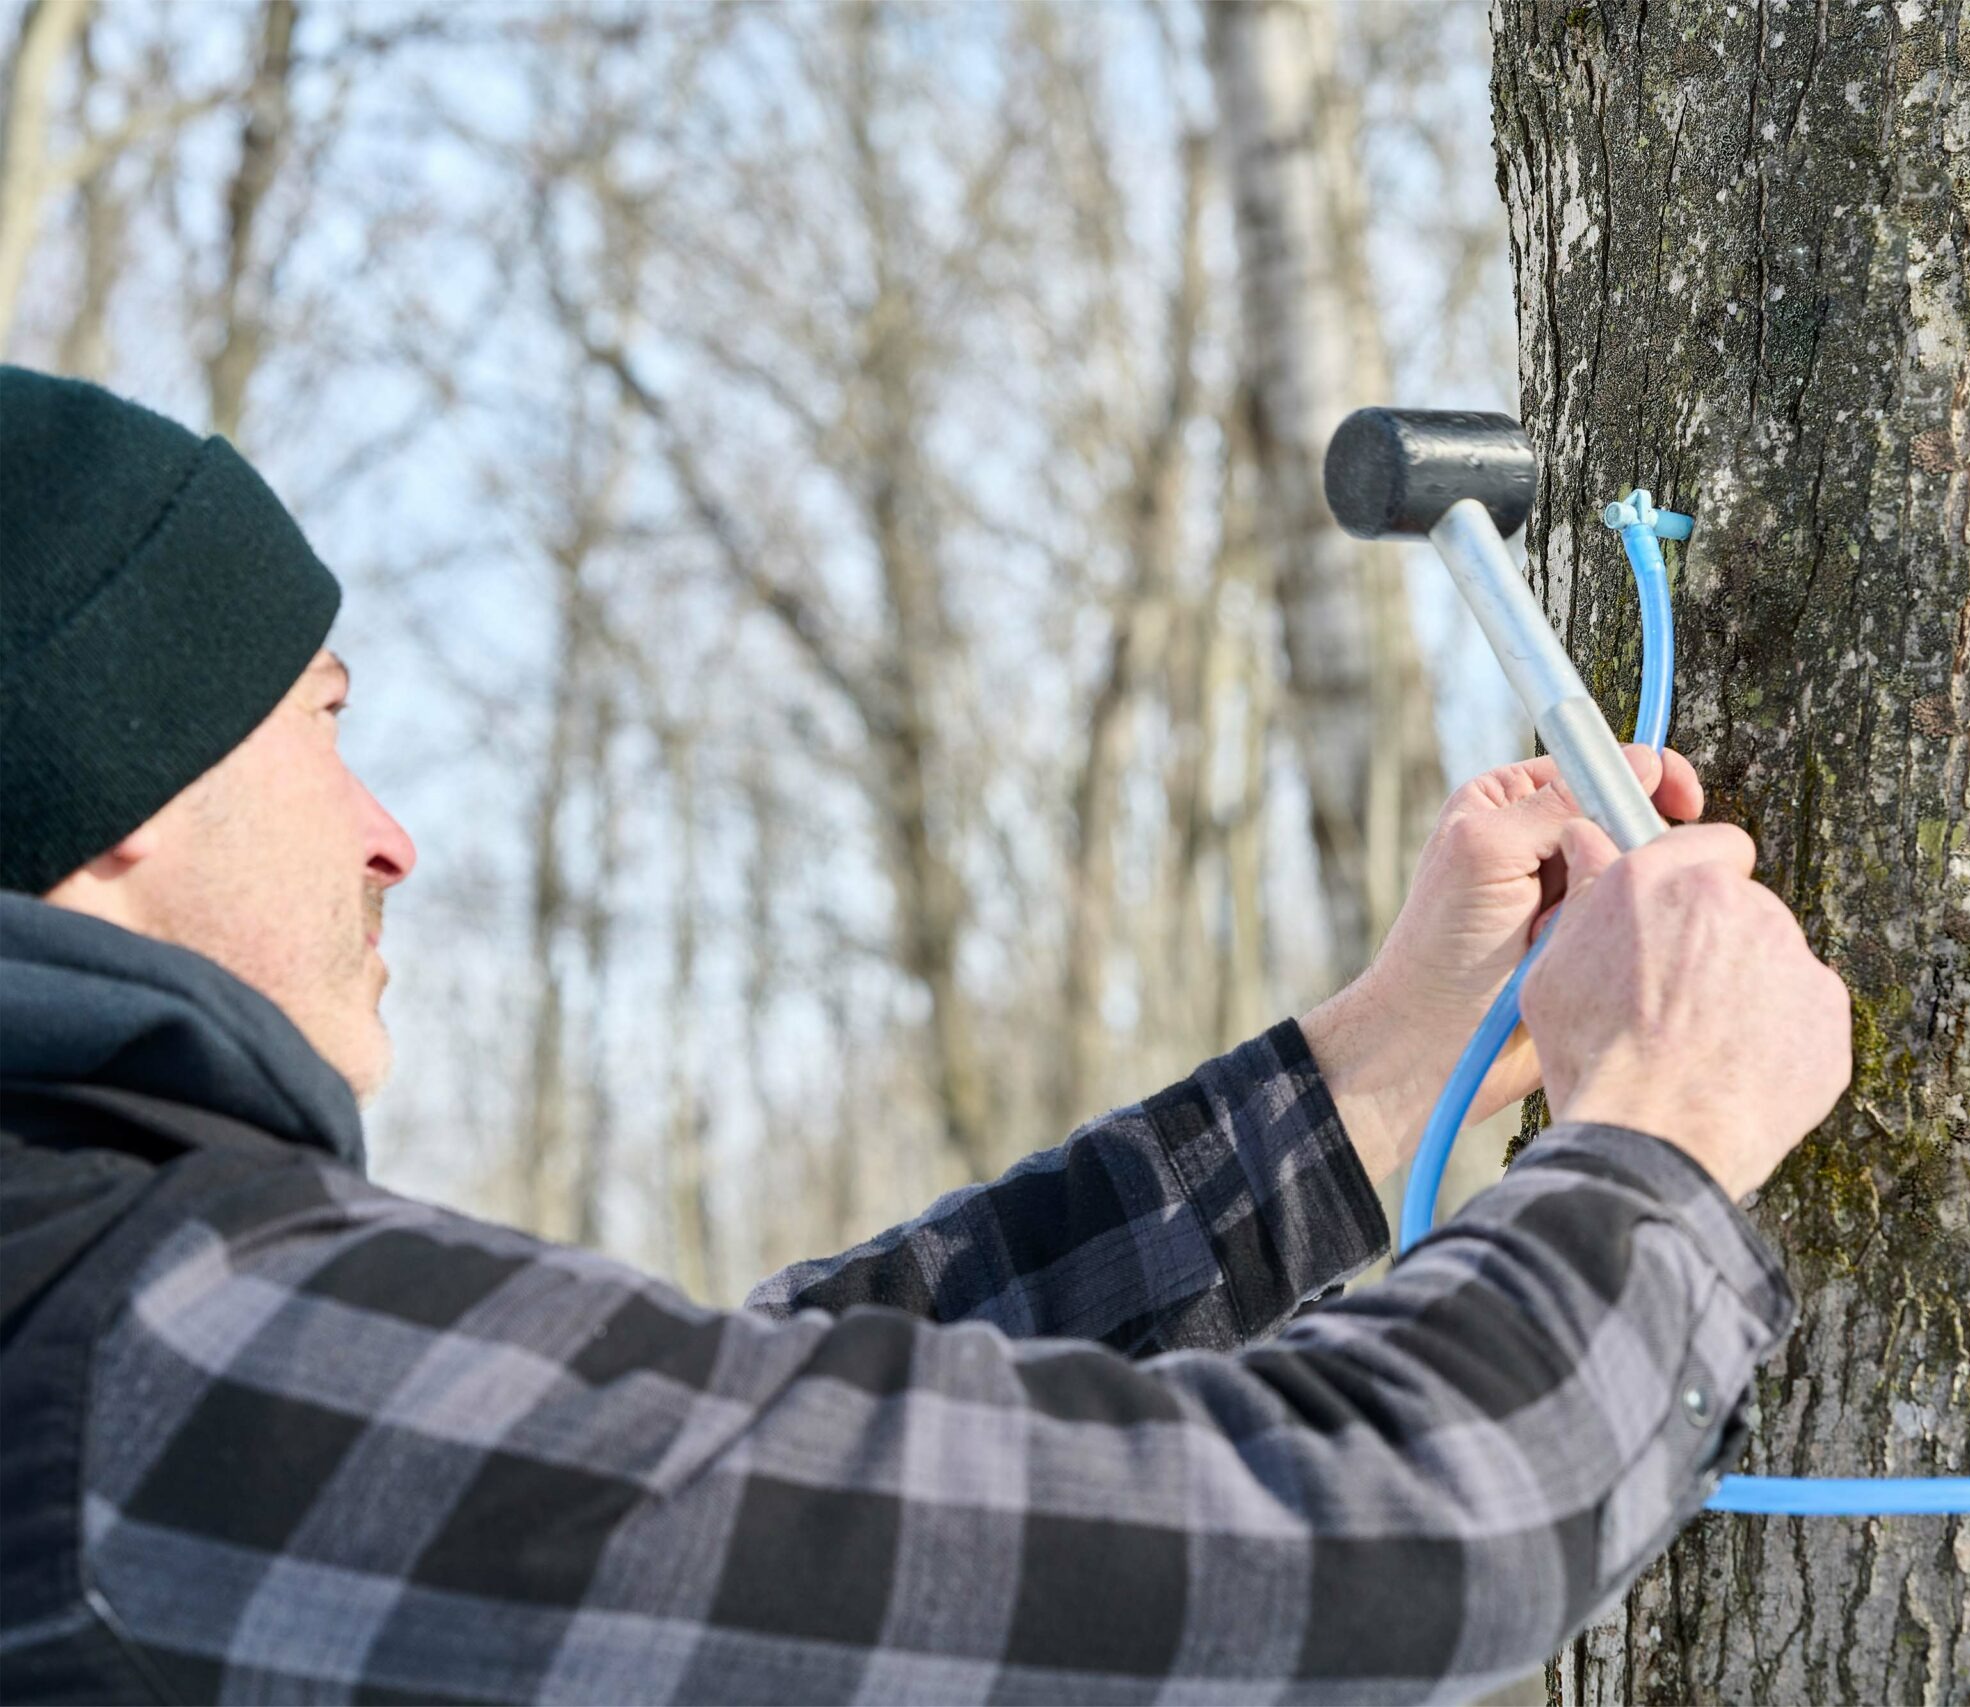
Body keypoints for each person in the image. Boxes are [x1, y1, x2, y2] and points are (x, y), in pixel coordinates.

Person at [0, 366, 1851, 1704]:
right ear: (119, 779)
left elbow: (754, 1460)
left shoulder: (114, 1336)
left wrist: (1371, 1074)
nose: (387, 828)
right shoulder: (158, 1362)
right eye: (320, 726)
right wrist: (1662, 1137)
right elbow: (1336, 1550)